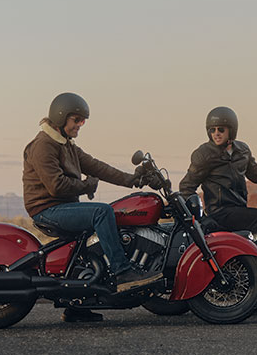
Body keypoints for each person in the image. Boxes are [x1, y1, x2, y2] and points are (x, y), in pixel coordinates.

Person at [23, 92, 160, 322]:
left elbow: (97, 167)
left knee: (91, 239)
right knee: (102, 212)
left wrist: (133, 180)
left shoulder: (66, 145)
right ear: (60, 117)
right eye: (76, 120)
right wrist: (86, 185)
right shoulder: (44, 145)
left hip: (63, 207)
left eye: (82, 121)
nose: (80, 125)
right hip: (47, 209)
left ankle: (77, 306)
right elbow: (56, 186)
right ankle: (123, 272)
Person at [179, 106, 257, 312]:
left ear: (232, 130)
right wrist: (195, 217)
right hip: (220, 212)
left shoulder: (242, 150)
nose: (216, 133)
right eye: (212, 130)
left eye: (221, 129)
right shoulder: (204, 154)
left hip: (238, 210)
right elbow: (186, 186)